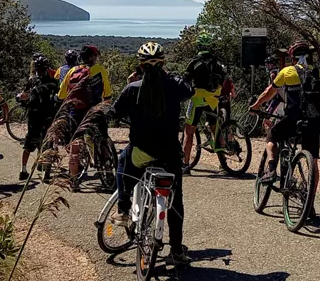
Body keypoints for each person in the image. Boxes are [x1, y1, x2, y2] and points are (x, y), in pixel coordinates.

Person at [109, 42, 193, 266]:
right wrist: (169, 75)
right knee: (175, 201)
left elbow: (115, 112)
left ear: (140, 66)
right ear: (163, 63)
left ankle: (123, 209)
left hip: (142, 151)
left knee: (123, 162)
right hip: (169, 154)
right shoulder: (175, 86)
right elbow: (189, 90)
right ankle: (177, 251)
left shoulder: (132, 88)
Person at [249, 41, 320, 220]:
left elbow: (270, 92)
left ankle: (270, 169)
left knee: (272, 135)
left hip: (293, 120)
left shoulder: (287, 72)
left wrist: (256, 105)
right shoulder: (319, 74)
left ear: (292, 57)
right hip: (313, 122)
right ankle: (309, 203)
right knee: (313, 162)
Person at [51, 44, 112, 190]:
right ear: (92, 57)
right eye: (95, 56)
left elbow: (61, 95)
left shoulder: (72, 71)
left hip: (76, 113)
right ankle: (108, 170)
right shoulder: (99, 70)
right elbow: (108, 93)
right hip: (95, 111)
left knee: (75, 146)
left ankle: (73, 181)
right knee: (103, 137)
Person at [181, 31, 227, 174]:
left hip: (197, 98)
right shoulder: (217, 62)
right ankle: (224, 164)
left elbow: (185, 81)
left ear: (198, 46)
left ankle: (185, 165)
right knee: (215, 128)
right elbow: (224, 78)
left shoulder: (194, 62)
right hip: (213, 98)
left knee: (189, 132)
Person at [17, 53, 61, 180]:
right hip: (49, 115)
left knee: (29, 144)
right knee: (47, 141)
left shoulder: (32, 82)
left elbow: (24, 97)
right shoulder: (54, 82)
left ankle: (23, 169)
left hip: (35, 116)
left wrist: (22, 100)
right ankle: (43, 167)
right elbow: (59, 98)